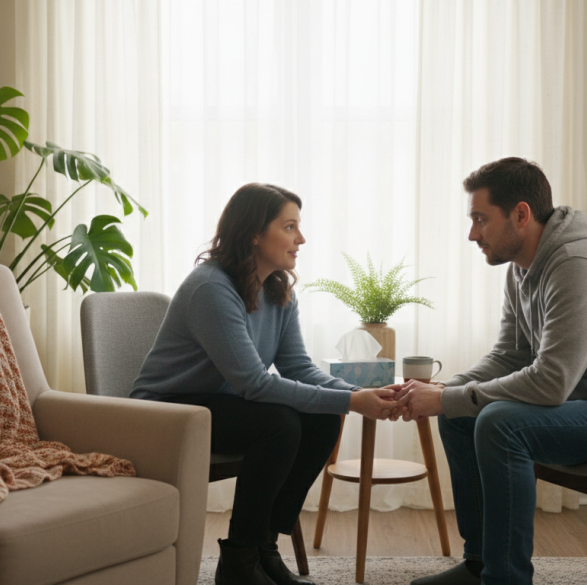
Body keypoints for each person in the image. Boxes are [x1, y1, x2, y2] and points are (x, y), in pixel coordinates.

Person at [390, 158, 587, 585]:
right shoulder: (521, 267)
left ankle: (506, 578)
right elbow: (509, 355)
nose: (472, 233)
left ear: (521, 214)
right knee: (460, 416)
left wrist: (444, 397)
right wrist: (444, 390)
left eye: (481, 219)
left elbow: (551, 382)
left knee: (499, 423)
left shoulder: (578, 265)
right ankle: (480, 564)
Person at [132, 183, 397, 585]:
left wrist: (352, 396)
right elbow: (254, 384)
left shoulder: (278, 291)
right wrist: (353, 400)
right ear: (254, 233)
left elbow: (298, 368)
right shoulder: (212, 288)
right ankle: (239, 561)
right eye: (290, 227)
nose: (301, 239)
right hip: (168, 411)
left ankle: (263, 548)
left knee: (323, 418)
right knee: (281, 423)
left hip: (218, 405)